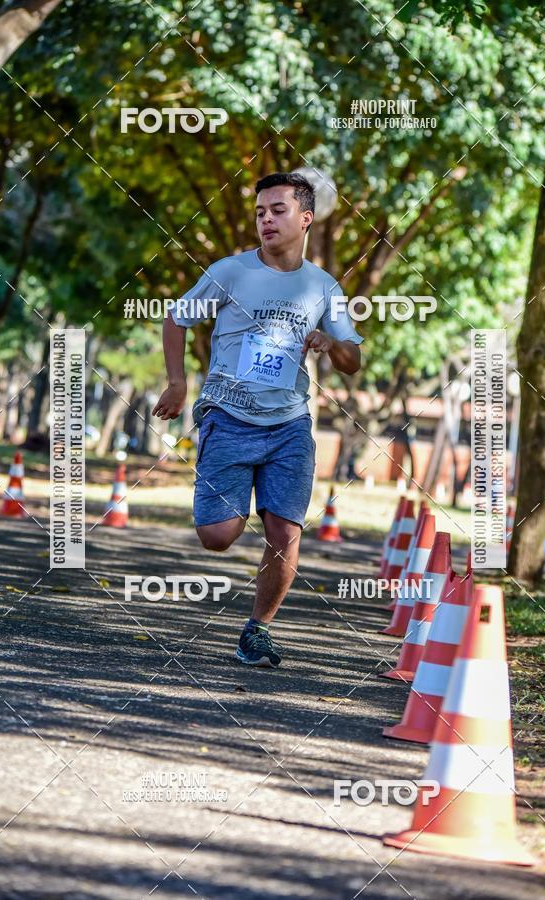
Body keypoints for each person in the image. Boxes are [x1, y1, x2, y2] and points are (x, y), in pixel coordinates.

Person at [153, 172, 362, 667]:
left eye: (278, 210)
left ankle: (258, 630)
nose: (266, 219)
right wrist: (179, 383)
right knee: (218, 536)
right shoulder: (231, 272)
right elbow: (176, 319)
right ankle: (235, 496)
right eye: (260, 212)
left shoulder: (322, 286)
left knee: (285, 532)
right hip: (228, 414)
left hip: (290, 424)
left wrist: (331, 344)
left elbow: (353, 359)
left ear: (305, 218)